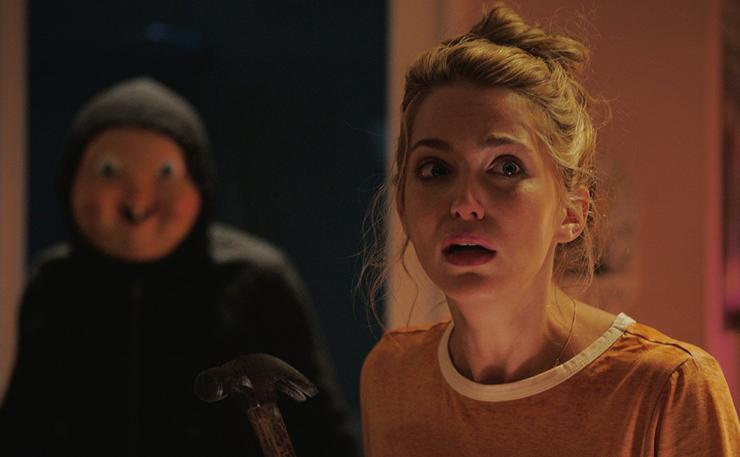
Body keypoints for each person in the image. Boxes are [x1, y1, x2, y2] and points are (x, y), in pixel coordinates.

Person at [360, 5, 740, 456]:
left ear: (572, 212)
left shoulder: (667, 389)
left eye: (506, 167)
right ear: (403, 206)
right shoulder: (393, 374)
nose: (464, 203)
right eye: (435, 169)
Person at [0, 77, 358, 456]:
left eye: (166, 173)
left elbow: (322, 432)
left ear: (199, 183)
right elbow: (24, 427)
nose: (138, 199)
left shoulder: (256, 279)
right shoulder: (54, 281)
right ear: (70, 181)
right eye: (108, 171)